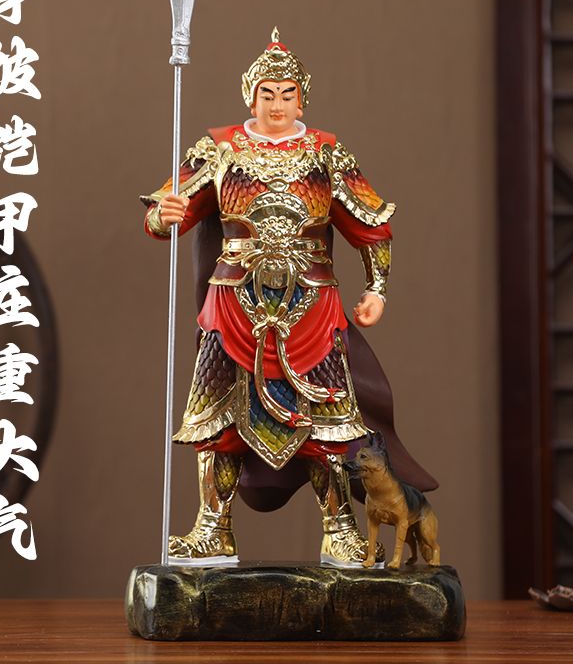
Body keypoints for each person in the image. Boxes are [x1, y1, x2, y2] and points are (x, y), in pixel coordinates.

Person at [142, 28, 435, 566]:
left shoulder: (327, 154)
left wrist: (378, 289)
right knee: (217, 419)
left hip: (311, 306)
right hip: (233, 304)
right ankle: (213, 528)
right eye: (267, 94)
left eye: (287, 94)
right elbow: (164, 213)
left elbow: (371, 224)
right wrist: (166, 214)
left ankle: (339, 530)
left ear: (302, 98)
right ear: (249, 96)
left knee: (328, 421)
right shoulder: (219, 150)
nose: (277, 106)